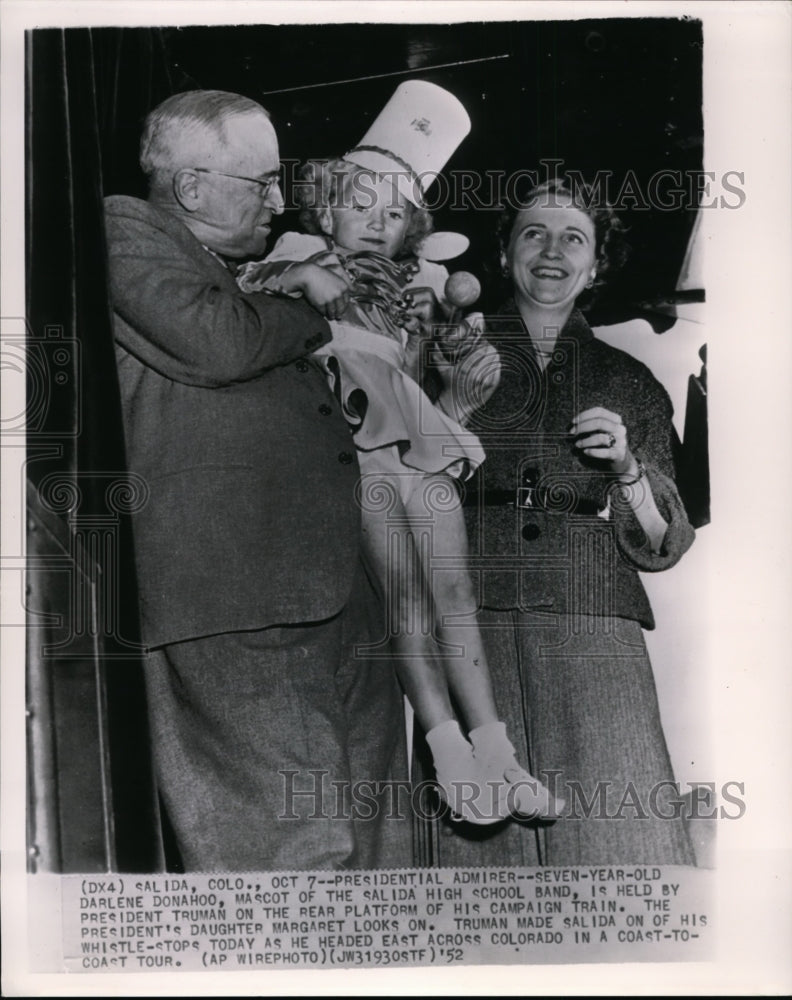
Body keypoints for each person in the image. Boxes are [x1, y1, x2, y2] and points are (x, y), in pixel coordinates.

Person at [238, 81, 561, 825]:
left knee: (455, 597)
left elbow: (430, 358)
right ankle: (448, 756)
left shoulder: (418, 282)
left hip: (417, 433)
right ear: (325, 207)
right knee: (407, 603)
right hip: (352, 440)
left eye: (394, 213)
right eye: (361, 204)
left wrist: (443, 334)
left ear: (412, 227)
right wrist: (303, 277)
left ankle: (498, 754)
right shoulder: (295, 249)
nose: (376, 223)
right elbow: (254, 286)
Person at [103, 89, 409, 871]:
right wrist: (309, 298)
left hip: (327, 598)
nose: (279, 201)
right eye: (261, 183)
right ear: (192, 186)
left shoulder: (231, 267)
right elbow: (216, 345)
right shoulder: (124, 229)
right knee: (291, 866)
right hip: (235, 598)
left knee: (377, 867)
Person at [433, 176, 697, 866]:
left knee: (619, 823)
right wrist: (452, 410)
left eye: (573, 237)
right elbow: (395, 482)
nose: (552, 251)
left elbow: (664, 542)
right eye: (533, 233)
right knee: (481, 849)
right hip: (473, 606)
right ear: (505, 254)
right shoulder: (445, 354)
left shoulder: (630, 378)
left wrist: (627, 471)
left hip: (591, 610)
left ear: (596, 262)